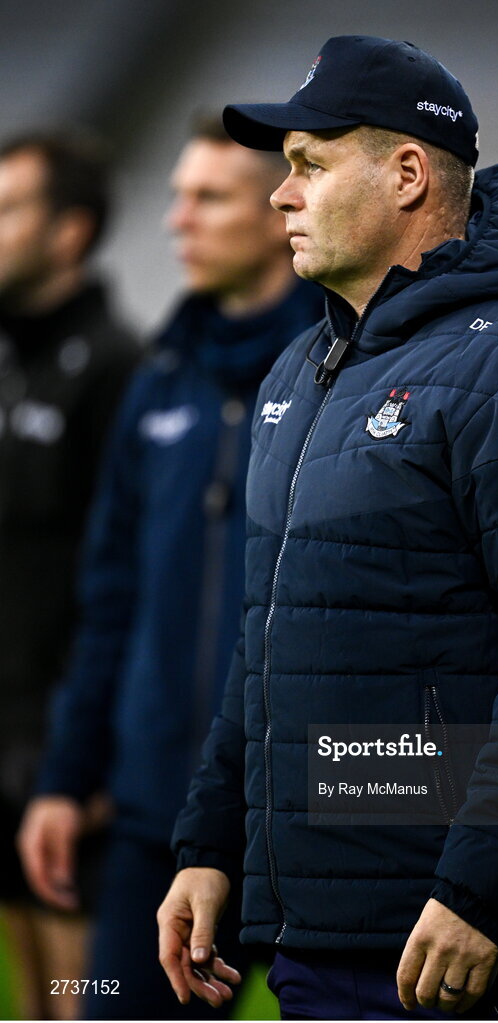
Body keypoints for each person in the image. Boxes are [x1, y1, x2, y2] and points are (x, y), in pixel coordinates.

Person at [158, 37, 498, 1021]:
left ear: (407, 174)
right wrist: (209, 845)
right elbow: (263, 649)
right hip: (315, 940)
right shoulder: (300, 374)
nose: (277, 195)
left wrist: (483, 891)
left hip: (464, 947)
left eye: (306, 163)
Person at [18, 115, 323, 1020]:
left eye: (207, 197)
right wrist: (68, 779)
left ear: (278, 211)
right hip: (159, 819)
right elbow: (109, 599)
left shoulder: (346, 373)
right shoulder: (158, 381)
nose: (176, 220)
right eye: (176, 195)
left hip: (316, 816)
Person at [0, 129, 139, 1020]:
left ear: (70, 231)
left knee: (84, 1002)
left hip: (69, 757)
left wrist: (94, 753)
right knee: (36, 1003)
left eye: (8, 209)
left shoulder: (119, 368)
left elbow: (135, 581)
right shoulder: (8, 360)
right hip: (2, 736)